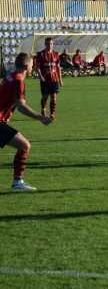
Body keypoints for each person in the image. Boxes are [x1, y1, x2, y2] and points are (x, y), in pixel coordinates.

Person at [0, 53, 52, 190]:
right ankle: (18, 182)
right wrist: (40, 117)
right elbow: (21, 106)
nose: (33, 67)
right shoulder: (18, 80)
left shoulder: (10, 76)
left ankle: (18, 181)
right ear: (25, 66)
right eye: (32, 64)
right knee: (24, 145)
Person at [36, 37, 63, 121]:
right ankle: (43, 109)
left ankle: (52, 113)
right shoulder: (40, 54)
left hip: (54, 79)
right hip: (45, 80)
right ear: (45, 44)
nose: (49, 45)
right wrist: (40, 76)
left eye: (51, 43)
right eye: (48, 44)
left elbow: (58, 68)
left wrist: (60, 80)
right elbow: (37, 67)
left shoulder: (56, 54)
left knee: (54, 98)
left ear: (53, 44)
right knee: (45, 97)